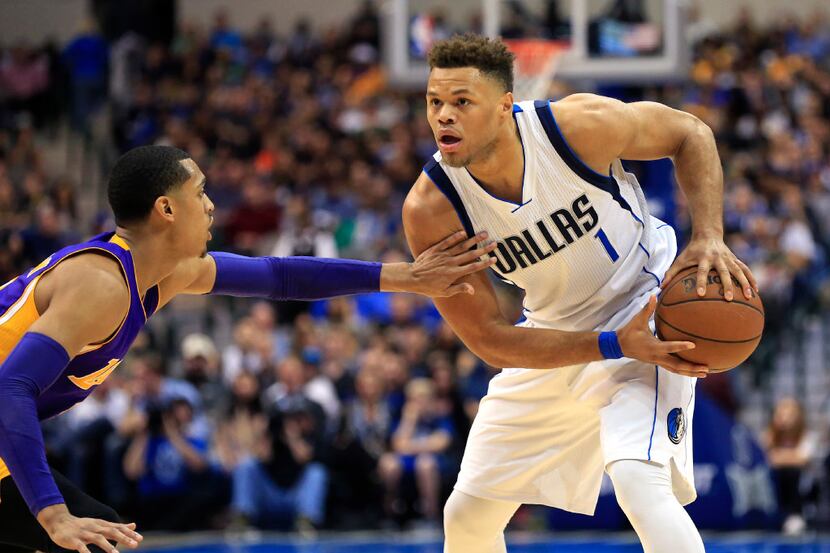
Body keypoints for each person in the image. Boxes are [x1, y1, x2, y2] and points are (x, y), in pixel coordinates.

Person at [0, 144, 496, 553]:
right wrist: (52, 513)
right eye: (200, 192)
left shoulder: (166, 274)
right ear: (166, 209)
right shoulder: (100, 284)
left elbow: (278, 275)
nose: (212, 204)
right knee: (84, 538)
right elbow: (10, 386)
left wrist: (404, 278)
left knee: (100, 540)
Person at [401, 35, 759, 553]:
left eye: (462, 102)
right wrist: (610, 344)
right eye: (435, 102)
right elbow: (491, 340)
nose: (443, 117)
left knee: (639, 482)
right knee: (468, 514)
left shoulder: (574, 127)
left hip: (647, 304)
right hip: (559, 332)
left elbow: (690, 133)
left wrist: (708, 235)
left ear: (504, 107)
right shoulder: (431, 209)